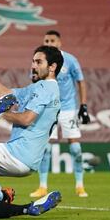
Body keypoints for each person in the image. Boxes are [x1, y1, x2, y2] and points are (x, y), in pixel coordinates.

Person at [0, 47, 62, 202]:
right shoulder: (39, 87)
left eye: (39, 62)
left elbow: (26, 119)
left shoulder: (47, 88)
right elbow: (6, 95)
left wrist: (1, 113)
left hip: (19, 153)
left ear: (52, 67)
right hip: (25, 156)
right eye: (33, 62)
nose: (33, 66)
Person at [30, 30, 91, 199]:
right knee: (45, 146)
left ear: (59, 43)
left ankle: (80, 185)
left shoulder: (70, 60)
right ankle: (42, 186)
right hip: (49, 108)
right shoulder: (39, 60)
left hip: (68, 108)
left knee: (75, 147)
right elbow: (34, 82)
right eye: (46, 40)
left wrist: (83, 105)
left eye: (52, 40)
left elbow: (81, 81)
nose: (49, 43)